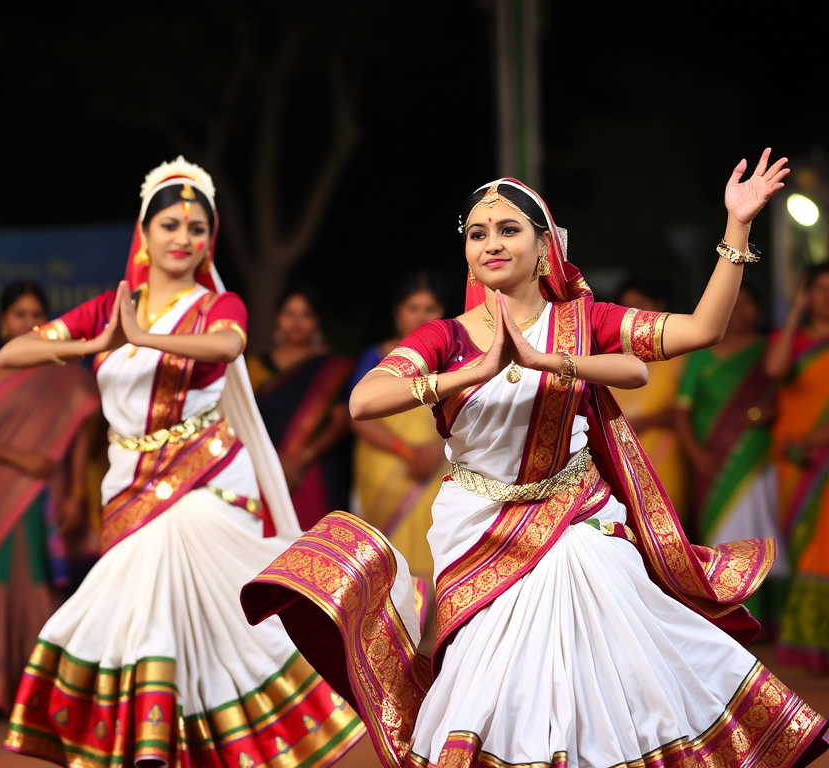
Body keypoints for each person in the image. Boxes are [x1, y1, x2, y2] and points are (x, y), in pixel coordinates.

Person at [243, 151, 829, 768]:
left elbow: (702, 329)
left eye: (507, 229)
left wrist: (735, 228)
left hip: (574, 525)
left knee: (613, 676)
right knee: (493, 690)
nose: (490, 243)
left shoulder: (581, 323)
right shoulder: (445, 337)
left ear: (545, 245)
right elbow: (365, 399)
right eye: (477, 233)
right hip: (478, 536)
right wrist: (470, 372)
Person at [0, 158, 364, 767]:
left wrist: (145, 339)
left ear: (207, 242)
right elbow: (13, 352)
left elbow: (230, 345)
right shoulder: (111, 309)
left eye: (196, 229)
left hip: (208, 482)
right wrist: (90, 343)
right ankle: (166, 743)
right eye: (170, 224)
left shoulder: (218, 306)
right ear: (144, 232)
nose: (183, 238)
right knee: (141, 607)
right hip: (129, 484)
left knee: (171, 588)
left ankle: (156, 750)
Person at [0, 282, 100, 720]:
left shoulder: (65, 374)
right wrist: (18, 457)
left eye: (36, 314)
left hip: (45, 490)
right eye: (19, 314)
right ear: (2, 320)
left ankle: (39, 693)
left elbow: (81, 436)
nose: (28, 322)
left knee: (38, 582)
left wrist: (78, 493)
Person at [674, 283, 787, 627]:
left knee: (762, 526)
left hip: (757, 458)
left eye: (747, 304)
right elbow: (681, 411)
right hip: (711, 461)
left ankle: (770, 617)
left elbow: (786, 391)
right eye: (732, 304)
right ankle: (728, 618)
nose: (739, 311)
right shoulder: (701, 352)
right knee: (721, 533)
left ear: (759, 310)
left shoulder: (769, 350)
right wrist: (694, 456)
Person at [349, 271, 449, 585]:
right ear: (397, 314)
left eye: (430, 308)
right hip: (387, 468)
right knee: (387, 566)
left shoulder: (454, 362)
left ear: (444, 315)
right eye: (413, 307)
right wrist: (408, 453)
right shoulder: (376, 359)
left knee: (435, 559)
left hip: (439, 466)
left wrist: (436, 451)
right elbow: (360, 417)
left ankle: (432, 633)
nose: (421, 316)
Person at [766, 263, 829, 673]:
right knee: (799, 544)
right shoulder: (789, 340)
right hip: (792, 456)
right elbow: (775, 370)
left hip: (824, 451)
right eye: (818, 289)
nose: (825, 296)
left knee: (820, 550)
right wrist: (793, 314)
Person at [247, 289, 354, 529]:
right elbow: (243, 419)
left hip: (314, 470)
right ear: (277, 318)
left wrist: (302, 457)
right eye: (289, 314)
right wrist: (275, 460)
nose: (296, 322)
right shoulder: (253, 367)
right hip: (263, 466)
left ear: (317, 322)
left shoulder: (333, 369)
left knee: (313, 545)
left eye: (306, 315)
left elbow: (340, 420)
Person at [610, 276, 688, 516]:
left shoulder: (680, 356)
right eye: (625, 308)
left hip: (665, 463)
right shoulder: (607, 358)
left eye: (639, 305)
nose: (632, 315)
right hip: (617, 469)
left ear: (658, 306)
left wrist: (647, 421)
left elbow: (689, 410)